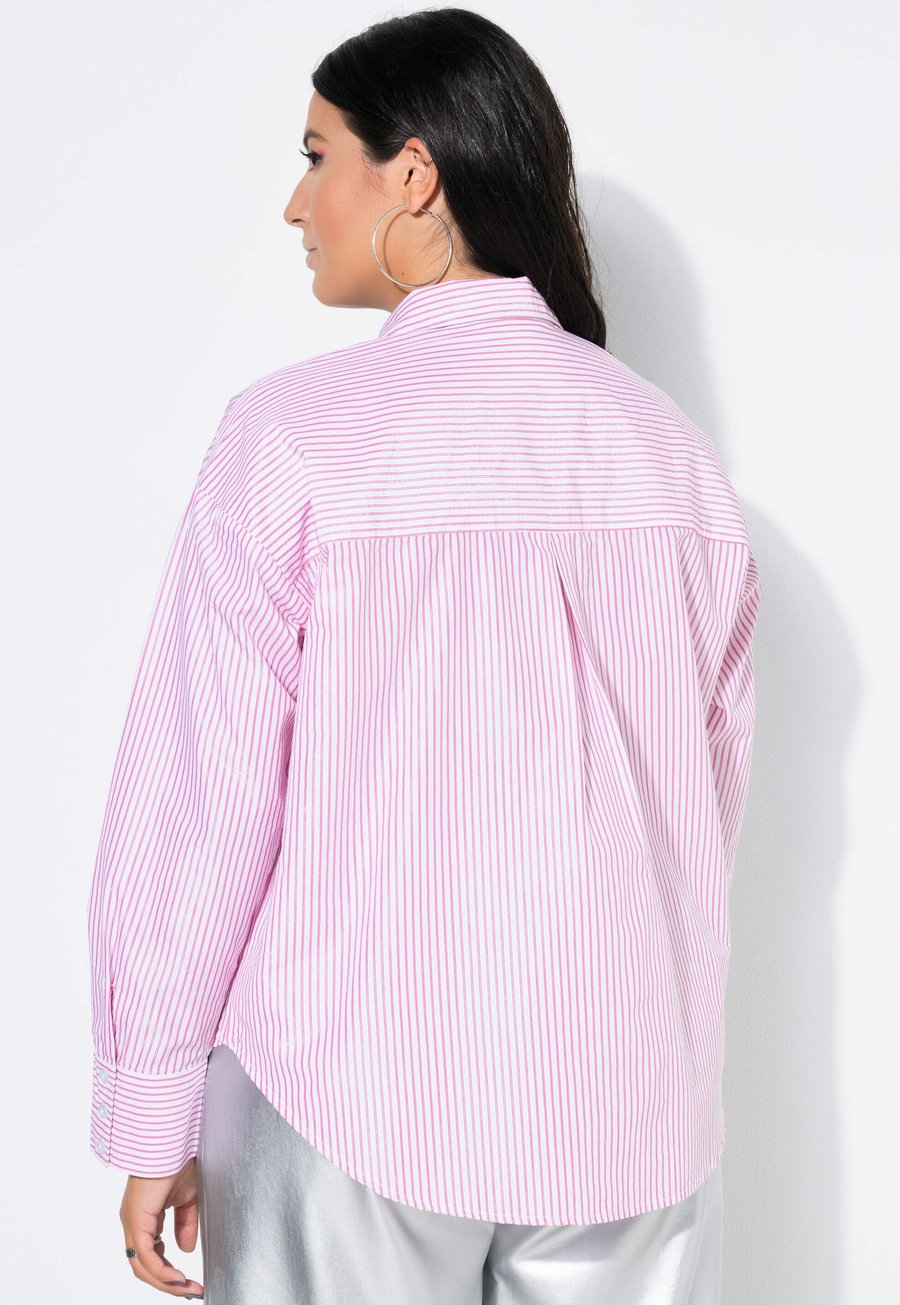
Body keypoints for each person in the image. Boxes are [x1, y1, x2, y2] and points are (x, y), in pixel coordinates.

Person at [86, 8, 762, 1303]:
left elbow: (204, 802)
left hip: (347, 1093)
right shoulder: (667, 453)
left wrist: (152, 1102)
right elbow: (701, 814)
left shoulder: (293, 439)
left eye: (316, 155)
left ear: (412, 172)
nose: (296, 204)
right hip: (629, 1106)